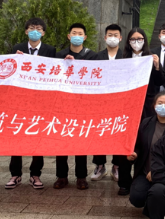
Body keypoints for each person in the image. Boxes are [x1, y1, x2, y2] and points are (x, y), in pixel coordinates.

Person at [7, 18, 56, 190]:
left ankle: (35, 174)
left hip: (41, 101)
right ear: (26, 31)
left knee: (37, 138)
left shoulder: (50, 50)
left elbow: (55, 72)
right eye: (32, 28)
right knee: (17, 136)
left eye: (39, 28)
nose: (35, 31)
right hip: (21, 100)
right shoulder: (17, 48)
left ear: (43, 33)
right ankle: (15, 174)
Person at [115, 27, 164, 195]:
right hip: (126, 105)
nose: (136, 42)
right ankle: (124, 181)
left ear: (144, 40)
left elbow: (160, 81)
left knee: (144, 139)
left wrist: (156, 66)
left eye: (140, 39)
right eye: (133, 39)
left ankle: (141, 177)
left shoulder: (151, 58)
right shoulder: (123, 59)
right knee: (125, 141)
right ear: (128, 42)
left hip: (147, 106)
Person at [55, 22, 96, 190]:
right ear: (68, 36)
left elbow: (95, 76)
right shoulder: (60, 55)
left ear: (85, 37)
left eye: (80, 33)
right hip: (63, 103)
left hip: (83, 104)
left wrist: (76, 65)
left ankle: (81, 177)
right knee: (61, 140)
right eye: (74, 33)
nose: (77, 36)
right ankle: (61, 176)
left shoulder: (92, 56)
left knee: (80, 141)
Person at [127, 91, 165, 219]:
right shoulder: (146, 123)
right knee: (136, 198)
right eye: (160, 103)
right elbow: (139, 146)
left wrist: (158, 172)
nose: (163, 106)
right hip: (145, 172)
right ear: (154, 106)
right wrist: (134, 154)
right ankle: (155, 202)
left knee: (162, 189)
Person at [90, 24, 124, 184]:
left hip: (120, 101)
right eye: (110, 35)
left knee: (118, 132)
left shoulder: (126, 57)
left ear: (120, 38)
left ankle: (117, 166)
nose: (112, 38)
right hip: (100, 102)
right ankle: (100, 165)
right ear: (105, 37)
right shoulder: (97, 57)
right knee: (100, 133)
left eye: (115, 35)